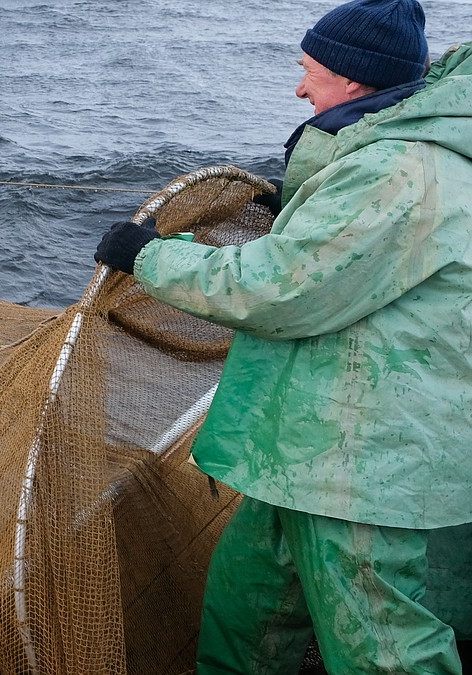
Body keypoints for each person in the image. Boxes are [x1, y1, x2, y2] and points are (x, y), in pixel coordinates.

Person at [94, 0, 472, 672]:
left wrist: (149, 255)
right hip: (303, 444)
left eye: (311, 71)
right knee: (250, 601)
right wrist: (299, 201)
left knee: (384, 643)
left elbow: (279, 288)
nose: (301, 87)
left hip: (359, 458)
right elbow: (348, 247)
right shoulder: (391, 153)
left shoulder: (397, 170)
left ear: (354, 84)